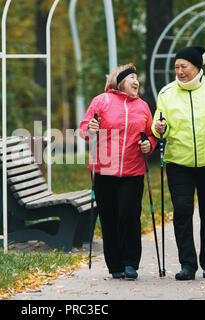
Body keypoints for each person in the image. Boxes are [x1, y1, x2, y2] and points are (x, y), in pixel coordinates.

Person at [151, 46, 205, 280]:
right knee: (182, 210)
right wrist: (159, 128)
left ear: (197, 67)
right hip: (179, 162)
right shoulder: (167, 93)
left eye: (184, 67)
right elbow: (159, 123)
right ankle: (187, 265)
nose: (179, 71)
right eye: (176, 67)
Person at [79, 63, 157, 280]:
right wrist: (90, 129)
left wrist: (148, 145)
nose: (136, 81)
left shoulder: (142, 106)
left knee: (129, 215)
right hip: (104, 170)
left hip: (133, 171)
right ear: (120, 81)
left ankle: (131, 263)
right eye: (132, 77)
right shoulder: (101, 100)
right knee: (109, 217)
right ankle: (115, 265)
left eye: (137, 78)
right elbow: (84, 129)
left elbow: (151, 135)